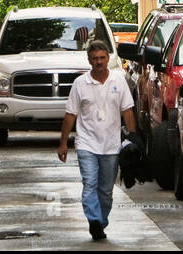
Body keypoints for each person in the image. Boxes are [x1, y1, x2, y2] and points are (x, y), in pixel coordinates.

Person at [57, 39, 136, 240]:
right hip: (86, 143)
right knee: (89, 183)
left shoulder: (118, 80)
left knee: (106, 190)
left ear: (108, 58)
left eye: (102, 58)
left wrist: (133, 139)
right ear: (89, 61)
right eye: (95, 59)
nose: (99, 62)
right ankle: (93, 220)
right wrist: (63, 143)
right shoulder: (80, 84)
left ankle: (101, 222)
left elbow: (127, 110)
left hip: (111, 145)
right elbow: (70, 115)